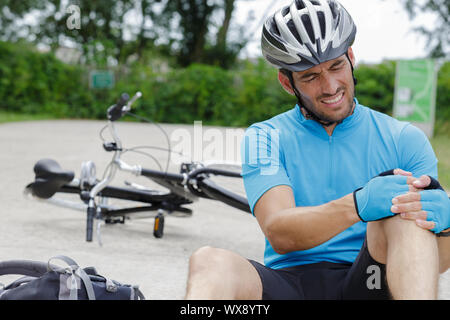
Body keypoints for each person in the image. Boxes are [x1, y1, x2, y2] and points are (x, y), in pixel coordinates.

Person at [184, 0, 450, 300]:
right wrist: (359, 204)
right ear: (287, 82)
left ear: (350, 57)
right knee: (209, 261)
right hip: (289, 286)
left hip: (371, 283)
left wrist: (446, 230)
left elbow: (431, 266)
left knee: (404, 207)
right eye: (310, 76)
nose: (329, 86)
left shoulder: (404, 138)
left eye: (336, 66)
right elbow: (279, 231)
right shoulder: (265, 137)